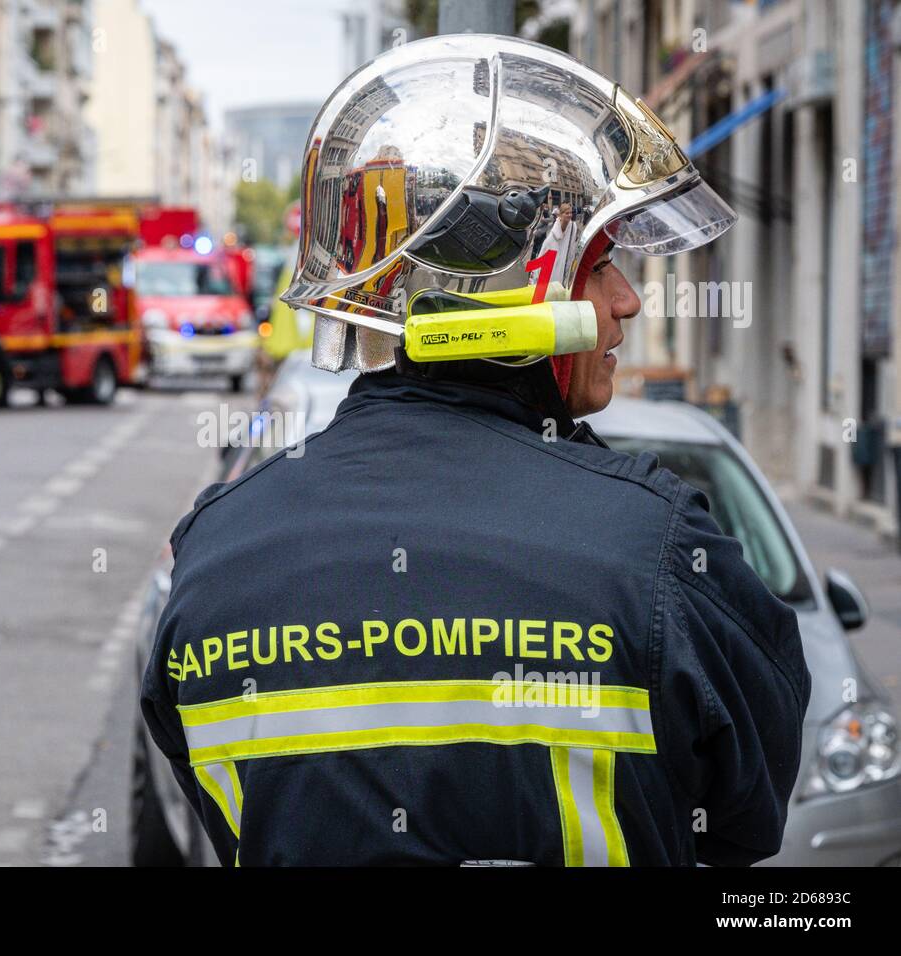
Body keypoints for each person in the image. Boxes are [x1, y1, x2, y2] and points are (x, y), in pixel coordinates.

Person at [141, 35, 810, 866]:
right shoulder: (656, 552)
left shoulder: (215, 559)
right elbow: (748, 820)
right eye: (601, 266)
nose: (629, 302)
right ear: (510, 292)